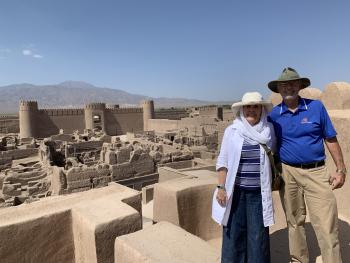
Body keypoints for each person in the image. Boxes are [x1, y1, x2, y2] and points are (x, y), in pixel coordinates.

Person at [267, 67, 347, 263]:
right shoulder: (274, 115)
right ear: (278, 89)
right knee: (294, 222)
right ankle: (298, 260)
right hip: (288, 173)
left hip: (317, 172)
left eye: (293, 83)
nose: (288, 87)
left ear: (300, 86)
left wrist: (341, 169)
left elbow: (330, 139)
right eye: (284, 84)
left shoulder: (316, 107)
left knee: (326, 225)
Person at [212, 92, 276, 263]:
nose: (251, 110)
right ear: (242, 109)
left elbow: (273, 157)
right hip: (236, 193)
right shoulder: (232, 131)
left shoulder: (269, 131)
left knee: (258, 237)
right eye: (248, 106)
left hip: (258, 194)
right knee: (233, 234)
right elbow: (223, 161)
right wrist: (221, 187)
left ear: (261, 109)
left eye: (255, 106)